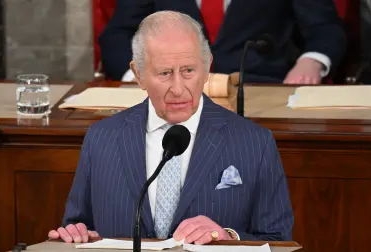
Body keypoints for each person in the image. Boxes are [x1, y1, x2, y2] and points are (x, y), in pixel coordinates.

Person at [48, 11, 294, 244]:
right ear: (139, 74)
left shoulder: (254, 142)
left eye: (188, 71)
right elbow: (78, 226)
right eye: (165, 73)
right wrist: (76, 234)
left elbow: (278, 240)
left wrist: (229, 238)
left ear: (207, 66)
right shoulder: (101, 139)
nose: (178, 89)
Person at [99, 0, 346, 85]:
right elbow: (118, 34)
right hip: (168, 91)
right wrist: (137, 79)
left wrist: (312, 61)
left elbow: (325, 28)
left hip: (259, 91)